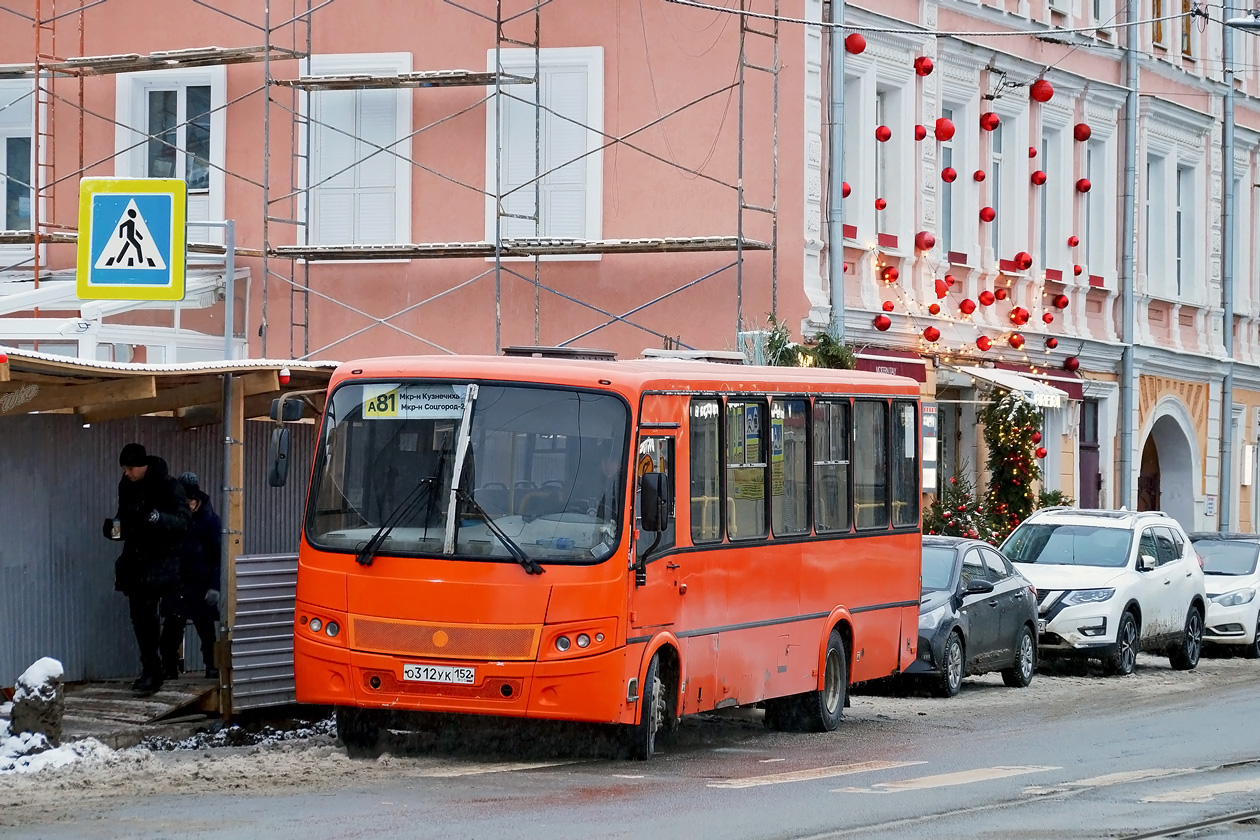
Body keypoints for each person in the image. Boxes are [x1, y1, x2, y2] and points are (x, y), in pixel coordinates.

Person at [102, 443, 190, 694]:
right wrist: (114, 530)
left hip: (163, 563)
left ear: (143, 466)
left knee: (166, 616)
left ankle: (161, 667)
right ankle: (152, 669)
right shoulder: (127, 486)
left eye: (129, 468)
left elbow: (184, 522)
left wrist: (159, 519)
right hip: (137, 562)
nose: (126, 472)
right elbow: (125, 518)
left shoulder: (169, 486)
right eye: (124, 468)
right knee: (142, 620)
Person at [176, 472, 222, 680]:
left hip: (200, 582)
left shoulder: (209, 522)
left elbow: (218, 556)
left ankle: (212, 666)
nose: (190, 506)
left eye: (192, 502)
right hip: (182, 581)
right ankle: (169, 666)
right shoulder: (186, 518)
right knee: (173, 627)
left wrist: (214, 586)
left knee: (205, 630)